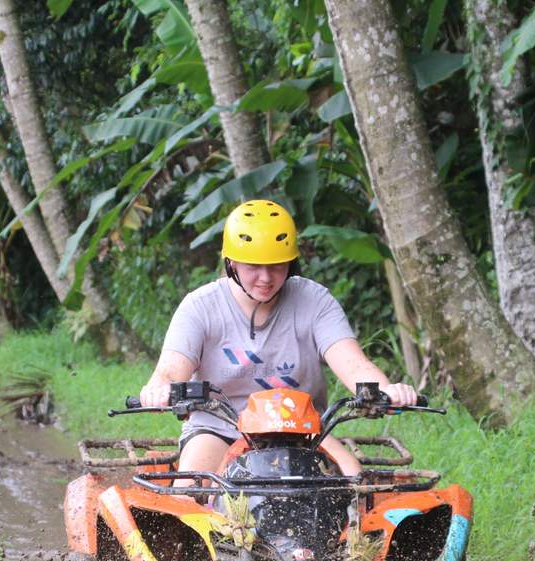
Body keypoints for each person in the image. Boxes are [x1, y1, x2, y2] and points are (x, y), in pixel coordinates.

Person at [140, 199, 418, 478]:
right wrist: (160, 388)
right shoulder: (200, 306)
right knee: (192, 486)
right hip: (218, 428)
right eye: (253, 266)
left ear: (291, 262)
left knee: (353, 481)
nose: (265, 278)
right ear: (231, 262)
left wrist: (387, 390)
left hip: (300, 430)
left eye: (276, 265)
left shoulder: (315, 301)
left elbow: (353, 363)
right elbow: (171, 369)